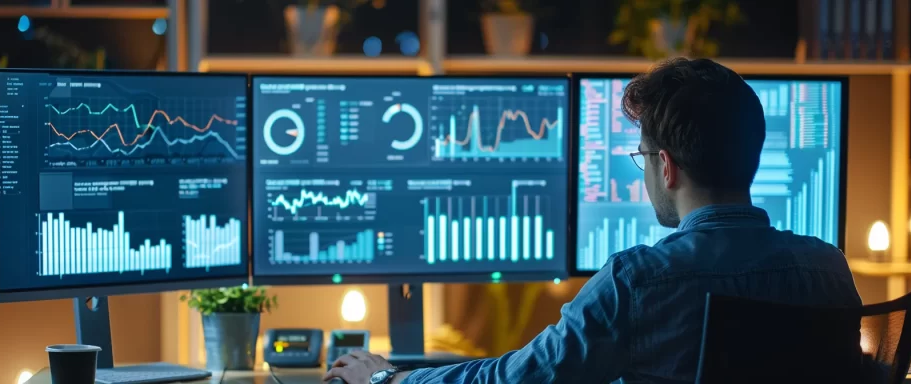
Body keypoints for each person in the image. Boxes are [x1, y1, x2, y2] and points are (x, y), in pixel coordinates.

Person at [323, 58, 862, 384]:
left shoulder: (640, 281)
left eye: (643, 158)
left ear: (666, 166)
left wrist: (387, 377)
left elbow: (515, 379)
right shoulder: (828, 270)